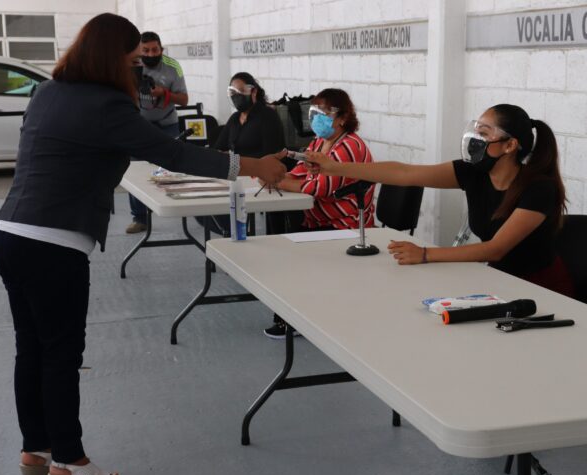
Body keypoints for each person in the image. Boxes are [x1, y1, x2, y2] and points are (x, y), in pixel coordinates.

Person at [0, 13, 284, 475]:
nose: (139, 70)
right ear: (113, 58)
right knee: (61, 356)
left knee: (32, 349)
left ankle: (35, 451)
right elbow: (173, 153)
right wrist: (254, 166)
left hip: (11, 234)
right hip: (53, 245)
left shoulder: (48, 93)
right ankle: (69, 462)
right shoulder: (106, 104)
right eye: (132, 60)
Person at [307, 104, 574, 297]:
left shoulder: (539, 188)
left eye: (485, 132)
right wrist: (335, 167)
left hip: (542, 291)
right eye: (476, 130)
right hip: (498, 281)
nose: (475, 138)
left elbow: (495, 249)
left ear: (510, 145)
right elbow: (405, 173)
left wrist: (425, 254)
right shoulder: (473, 173)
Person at [259, 88, 375, 339]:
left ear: (342, 117)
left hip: (345, 227)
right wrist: (277, 175)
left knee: (287, 253)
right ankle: (294, 313)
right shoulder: (320, 142)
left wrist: (275, 180)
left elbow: (317, 188)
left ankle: (295, 319)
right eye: (313, 113)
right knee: (277, 244)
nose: (315, 119)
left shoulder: (349, 146)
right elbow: (299, 173)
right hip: (318, 221)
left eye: (323, 113)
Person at [126, 31, 189, 234]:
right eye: (146, 50)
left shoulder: (173, 67)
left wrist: (164, 93)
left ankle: (176, 208)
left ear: (161, 49)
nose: (151, 54)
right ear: (139, 50)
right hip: (138, 125)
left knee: (172, 168)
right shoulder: (131, 64)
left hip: (167, 123)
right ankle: (139, 217)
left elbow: (184, 100)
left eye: (155, 50)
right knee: (135, 170)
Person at [207, 72, 285, 234]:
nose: (237, 96)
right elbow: (218, 148)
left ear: (253, 91)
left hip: (261, 178)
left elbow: (271, 153)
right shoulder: (235, 118)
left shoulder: (267, 116)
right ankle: (229, 232)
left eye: (241, 91)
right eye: (232, 92)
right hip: (238, 177)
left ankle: (237, 232)